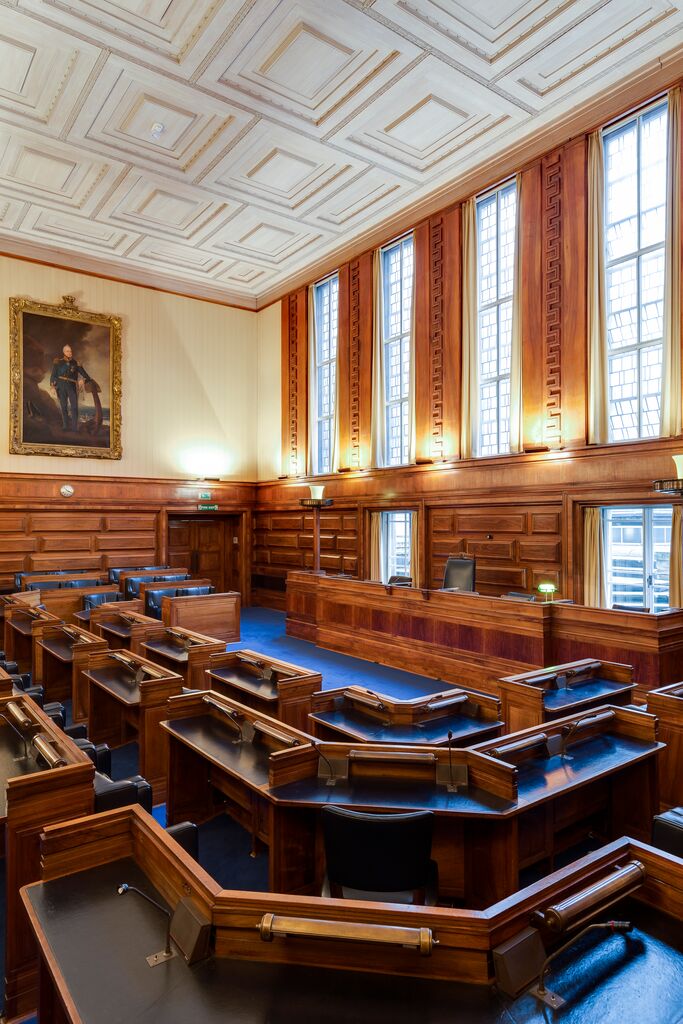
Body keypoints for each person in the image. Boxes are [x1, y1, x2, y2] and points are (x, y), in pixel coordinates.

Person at [49, 344, 92, 431]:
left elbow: (87, 376)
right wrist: (53, 387)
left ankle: (74, 428)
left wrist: (82, 380)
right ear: (64, 352)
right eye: (68, 351)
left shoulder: (76, 363)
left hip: (72, 386)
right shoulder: (58, 362)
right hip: (60, 386)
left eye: (71, 351)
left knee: (74, 407)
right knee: (64, 406)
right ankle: (65, 426)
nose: (70, 353)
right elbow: (53, 376)